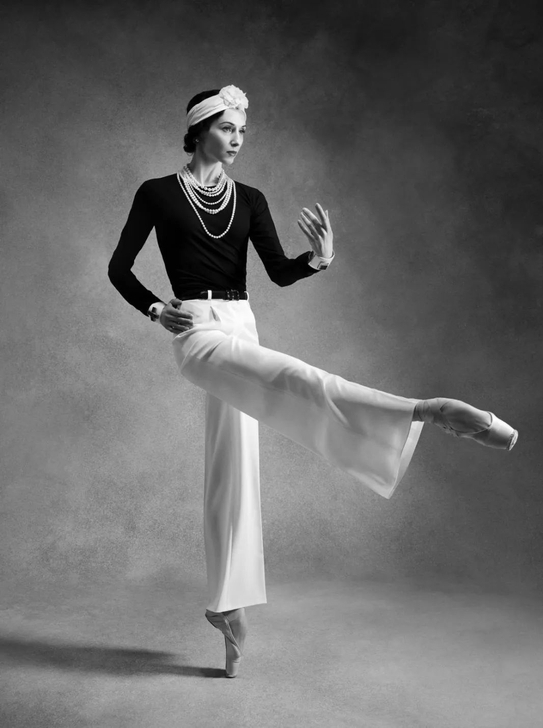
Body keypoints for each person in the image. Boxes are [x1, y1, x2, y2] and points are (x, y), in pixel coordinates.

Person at [107, 84, 518, 678]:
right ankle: (418, 410)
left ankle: (226, 606)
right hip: (196, 329)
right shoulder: (157, 193)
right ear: (198, 130)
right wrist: (154, 309)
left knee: (234, 464)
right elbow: (119, 268)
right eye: (227, 128)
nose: (237, 139)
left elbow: (277, 271)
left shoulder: (249, 198)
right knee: (297, 378)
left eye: (243, 131)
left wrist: (317, 259)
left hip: (242, 324)